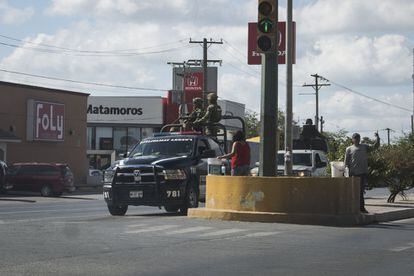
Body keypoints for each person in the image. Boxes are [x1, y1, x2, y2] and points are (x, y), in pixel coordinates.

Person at [344, 132, 380, 213]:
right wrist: (346, 172)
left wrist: (377, 138)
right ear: (352, 139)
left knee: (360, 191)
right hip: (353, 173)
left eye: (358, 138)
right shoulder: (349, 149)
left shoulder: (364, 146)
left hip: (362, 172)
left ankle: (361, 208)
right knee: (353, 192)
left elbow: (375, 147)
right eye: (355, 138)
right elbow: (346, 162)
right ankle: (352, 208)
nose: (357, 139)